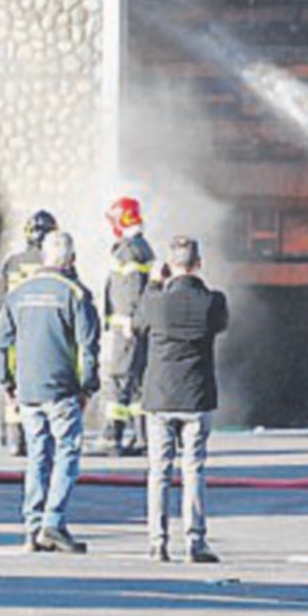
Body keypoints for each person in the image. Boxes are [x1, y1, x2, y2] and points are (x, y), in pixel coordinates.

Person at [0, 230, 99, 553]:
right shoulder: (76, 295)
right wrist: (88, 387)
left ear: (44, 257)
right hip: (61, 390)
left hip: (27, 390)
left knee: (38, 456)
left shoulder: (18, 293)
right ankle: (53, 523)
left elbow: (2, 343)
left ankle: (32, 527)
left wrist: (7, 383)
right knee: (67, 452)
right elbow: (88, 347)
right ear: (70, 259)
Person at [135, 236, 228, 564]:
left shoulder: (156, 302)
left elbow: (138, 325)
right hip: (197, 396)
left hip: (159, 396)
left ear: (170, 265)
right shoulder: (213, 301)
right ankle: (195, 542)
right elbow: (220, 324)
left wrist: (155, 282)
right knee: (194, 469)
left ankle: (157, 542)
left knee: (158, 471)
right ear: (198, 263)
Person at [0, 209, 60, 457]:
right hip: (45, 332)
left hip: (14, 331)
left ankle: (14, 439)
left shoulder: (12, 262)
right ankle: (42, 437)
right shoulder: (54, 261)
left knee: (12, 384)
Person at [93, 196, 154, 456]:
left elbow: (131, 289)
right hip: (135, 325)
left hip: (127, 327)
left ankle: (111, 437)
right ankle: (142, 438)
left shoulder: (129, 250)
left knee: (119, 377)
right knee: (137, 380)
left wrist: (128, 320)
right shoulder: (141, 247)